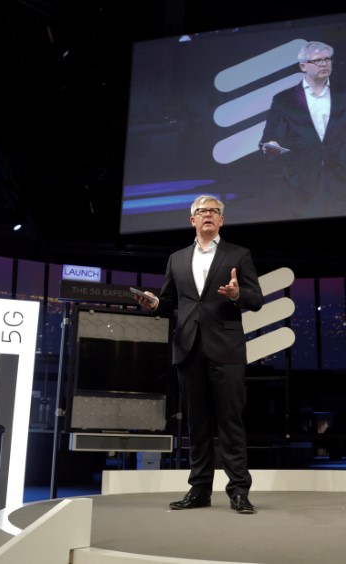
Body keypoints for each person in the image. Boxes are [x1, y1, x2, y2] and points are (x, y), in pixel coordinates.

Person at [133, 194, 263, 514]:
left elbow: (256, 299)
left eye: (214, 211)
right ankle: (200, 490)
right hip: (188, 348)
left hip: (227, 348)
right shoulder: (176, 259)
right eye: (202, 211)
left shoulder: (238, 254)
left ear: (221, 220)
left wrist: (237, 294)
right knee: (198, 423)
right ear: (192, 220)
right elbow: (168, 302)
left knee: (230, 422)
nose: (208, 215)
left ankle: (238, 491)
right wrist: (154, 304)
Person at [259, 40, 346, 201]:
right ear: (303, 66)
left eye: (327, 59)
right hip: (301, 181)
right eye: (317, 61)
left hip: (344, 179)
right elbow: (272, 136)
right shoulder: (284, 100)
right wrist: (272, 145)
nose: (324, 64)